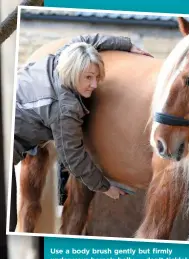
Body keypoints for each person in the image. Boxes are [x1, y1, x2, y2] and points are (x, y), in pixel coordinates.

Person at [14, 33, 152, 200]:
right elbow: (72, 156)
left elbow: (86, 40)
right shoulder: (64, 109)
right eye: (88, 77)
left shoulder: (62, 57)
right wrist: (105, 187)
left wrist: (127, 45)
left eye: (96, 77)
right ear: (73, 71)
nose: (94, 84)